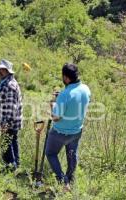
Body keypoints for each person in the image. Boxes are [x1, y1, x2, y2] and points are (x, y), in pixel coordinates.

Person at [46, 63, 91, 191]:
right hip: (77, 131)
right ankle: (70, 178)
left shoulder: (64, 95)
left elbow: (56, 117)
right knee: (72, 154)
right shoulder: (86, 89)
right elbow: (78, 102)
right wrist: (61, 98)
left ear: (66, 78)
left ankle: (63, 181)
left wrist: (53, 104)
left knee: (51, 153)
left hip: (60, 132)